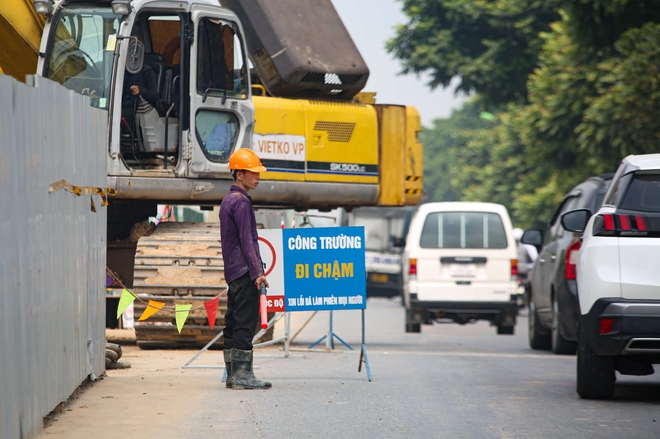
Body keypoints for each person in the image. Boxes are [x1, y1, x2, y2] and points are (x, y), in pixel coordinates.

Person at [219, 148, 271, 390]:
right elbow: (247, 240)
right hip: (244, 272)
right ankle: (242, 375)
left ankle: (232, 375)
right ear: (239, 174)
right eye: (253, 172)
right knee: (244, 323)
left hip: (233, 272)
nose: (257, 177)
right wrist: (257, 273)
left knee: (232, 321)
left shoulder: (229, 200)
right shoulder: (240, 202)